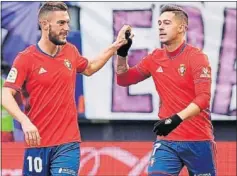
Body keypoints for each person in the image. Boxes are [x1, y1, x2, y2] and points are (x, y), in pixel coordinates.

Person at [2, 2, 130, 176]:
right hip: (37, 145)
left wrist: (116, 45)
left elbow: (90, 67)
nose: (67, 28)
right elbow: (5, 94)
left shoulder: (70, 51)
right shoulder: (26, 58)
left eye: (67, 22)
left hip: (67, 144)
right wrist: (25, 122)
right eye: (61, 23)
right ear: (45, 24)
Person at [116, 4, 216, 176]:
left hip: (198, 140)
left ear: (181, 28)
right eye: (159, 23)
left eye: (167, 23)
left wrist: (175, 119)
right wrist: (122, 53)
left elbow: (203, 99)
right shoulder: (155, 58)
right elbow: (123, 79)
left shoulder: (197, 57)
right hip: (167, 140)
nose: (161, 27)